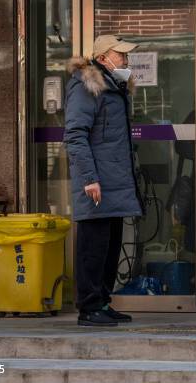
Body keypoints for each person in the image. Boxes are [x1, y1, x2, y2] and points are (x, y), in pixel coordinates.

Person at [64, 35, 143, 327]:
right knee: (93, 247)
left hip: (115, 180)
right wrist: (89, 179)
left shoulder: (114, 88)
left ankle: (103, 300)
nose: (125, 60)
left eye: (125, 55)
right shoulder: (87, 87)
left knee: (110, 246)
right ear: (102, 57)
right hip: (97, 182)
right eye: (120, 55)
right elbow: (75, 135)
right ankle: (89, 307)